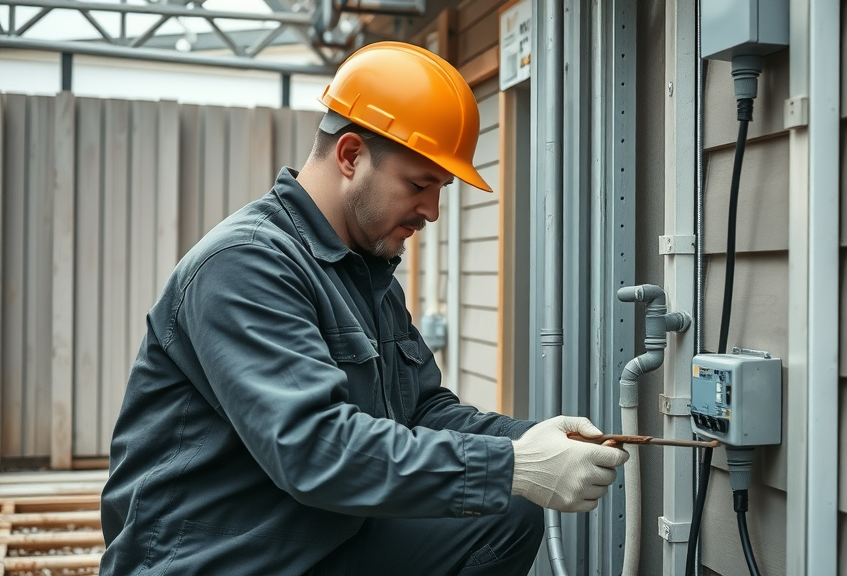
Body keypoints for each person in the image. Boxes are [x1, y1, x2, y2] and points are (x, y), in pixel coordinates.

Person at [99, 41, 628, 576]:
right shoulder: (245, 265)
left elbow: (421, 410)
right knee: (503, 491)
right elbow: (313, 448)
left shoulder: (364, 271)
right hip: (216, 558)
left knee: (505, 514)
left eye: (440, 189)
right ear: (350, 155)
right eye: (420, 185)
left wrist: (531, 442)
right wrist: (513, 466)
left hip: (312, 537)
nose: (432, 211)